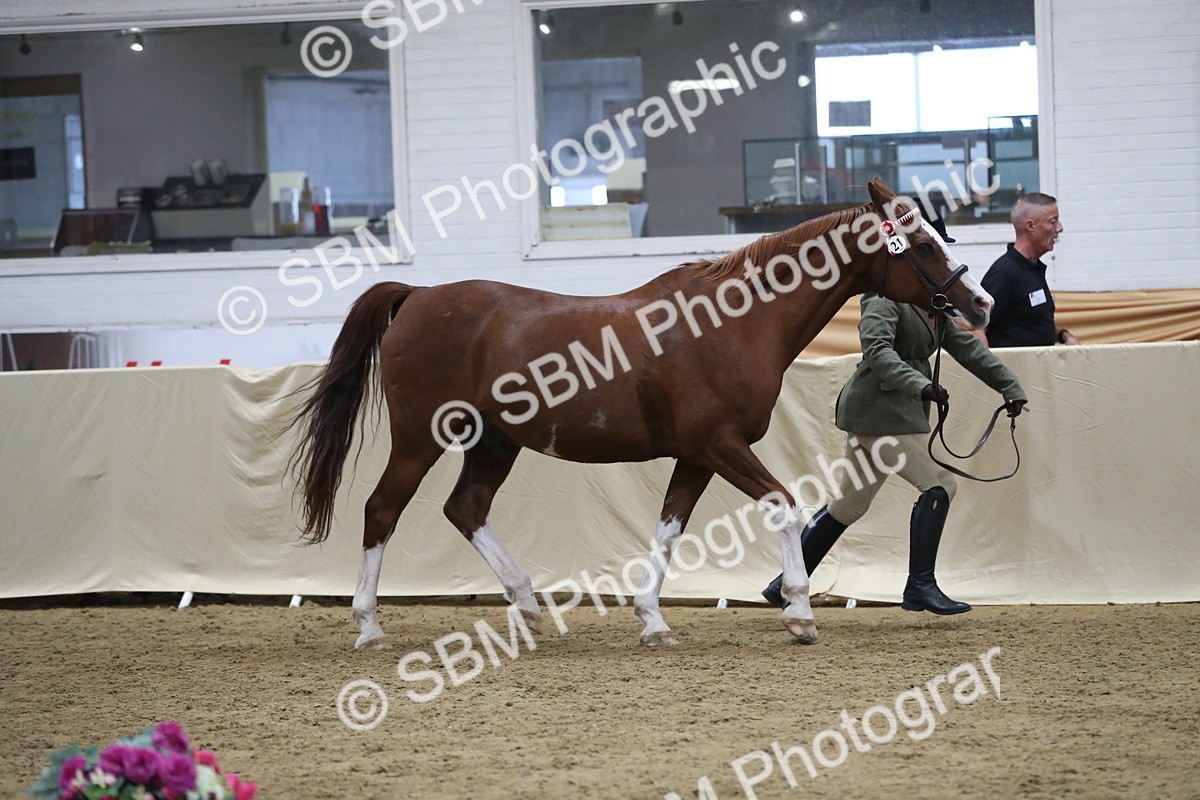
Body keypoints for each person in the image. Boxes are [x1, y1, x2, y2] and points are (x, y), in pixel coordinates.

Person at [761, 232, 1028, 615]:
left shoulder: (932, 301)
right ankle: (920, 585)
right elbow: (876, 349)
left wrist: (1009, 386)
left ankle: (783, 585)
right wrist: (919, 385)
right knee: (940, 485)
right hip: (880, 409)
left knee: (848, 506)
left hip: (896, 410)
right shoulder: (883, 295)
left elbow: (967, 347)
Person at [979, 192, 1080, 347]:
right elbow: (976, 328)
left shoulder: (1032, 268)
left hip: (1038, 369)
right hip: (1016, 370)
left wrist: (1062, 335)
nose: (1060, 228)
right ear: (1030, 226)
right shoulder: (1004, 273)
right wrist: (990, 369)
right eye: (1053, 222)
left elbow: (1028, 324)